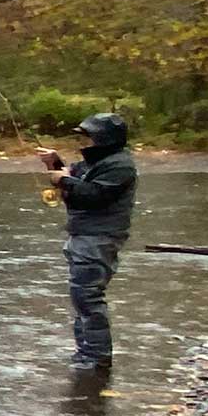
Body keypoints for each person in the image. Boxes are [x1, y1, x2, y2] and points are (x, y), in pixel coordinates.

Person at [38, 113, 135, 371]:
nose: (83, 142)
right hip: (85, 236)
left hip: (99, 238)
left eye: (88, 136)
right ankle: (86, 354)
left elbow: (94, 195)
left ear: (104, 139)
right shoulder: (95, 162)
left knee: (88, 297)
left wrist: (64, 179)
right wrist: (55, 164)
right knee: (82, 297)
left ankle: (96, 357)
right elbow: (74, 181)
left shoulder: (120, 165)